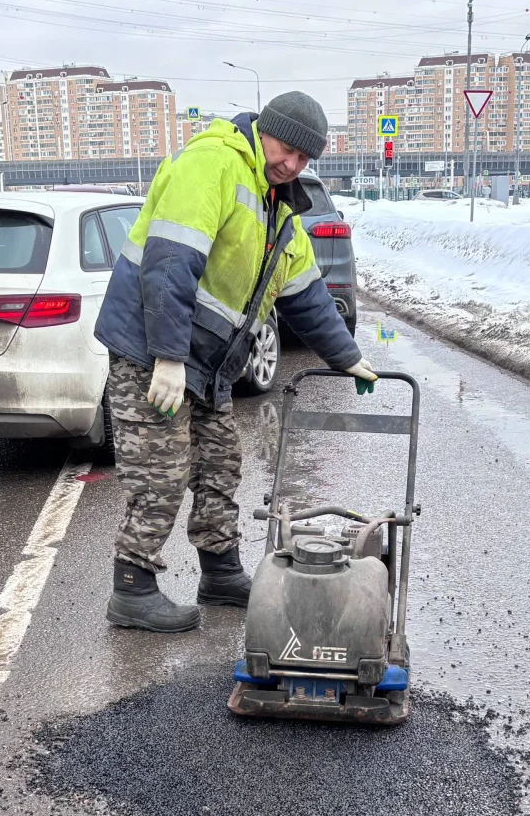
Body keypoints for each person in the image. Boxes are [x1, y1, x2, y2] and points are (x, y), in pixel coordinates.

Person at [93, 91, 374, 633]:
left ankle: (220, 573)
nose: (291, 164)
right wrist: (168, 359)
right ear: (264, 130)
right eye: (286, 148)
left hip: (207, 363)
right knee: (161, 471)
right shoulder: (213, 162)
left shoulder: (281, 209)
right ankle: (132, 586)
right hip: (150, 348)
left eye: (303, 158)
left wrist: (349, 358)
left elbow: (307, 296)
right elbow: (170, 263)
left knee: (220, 463)